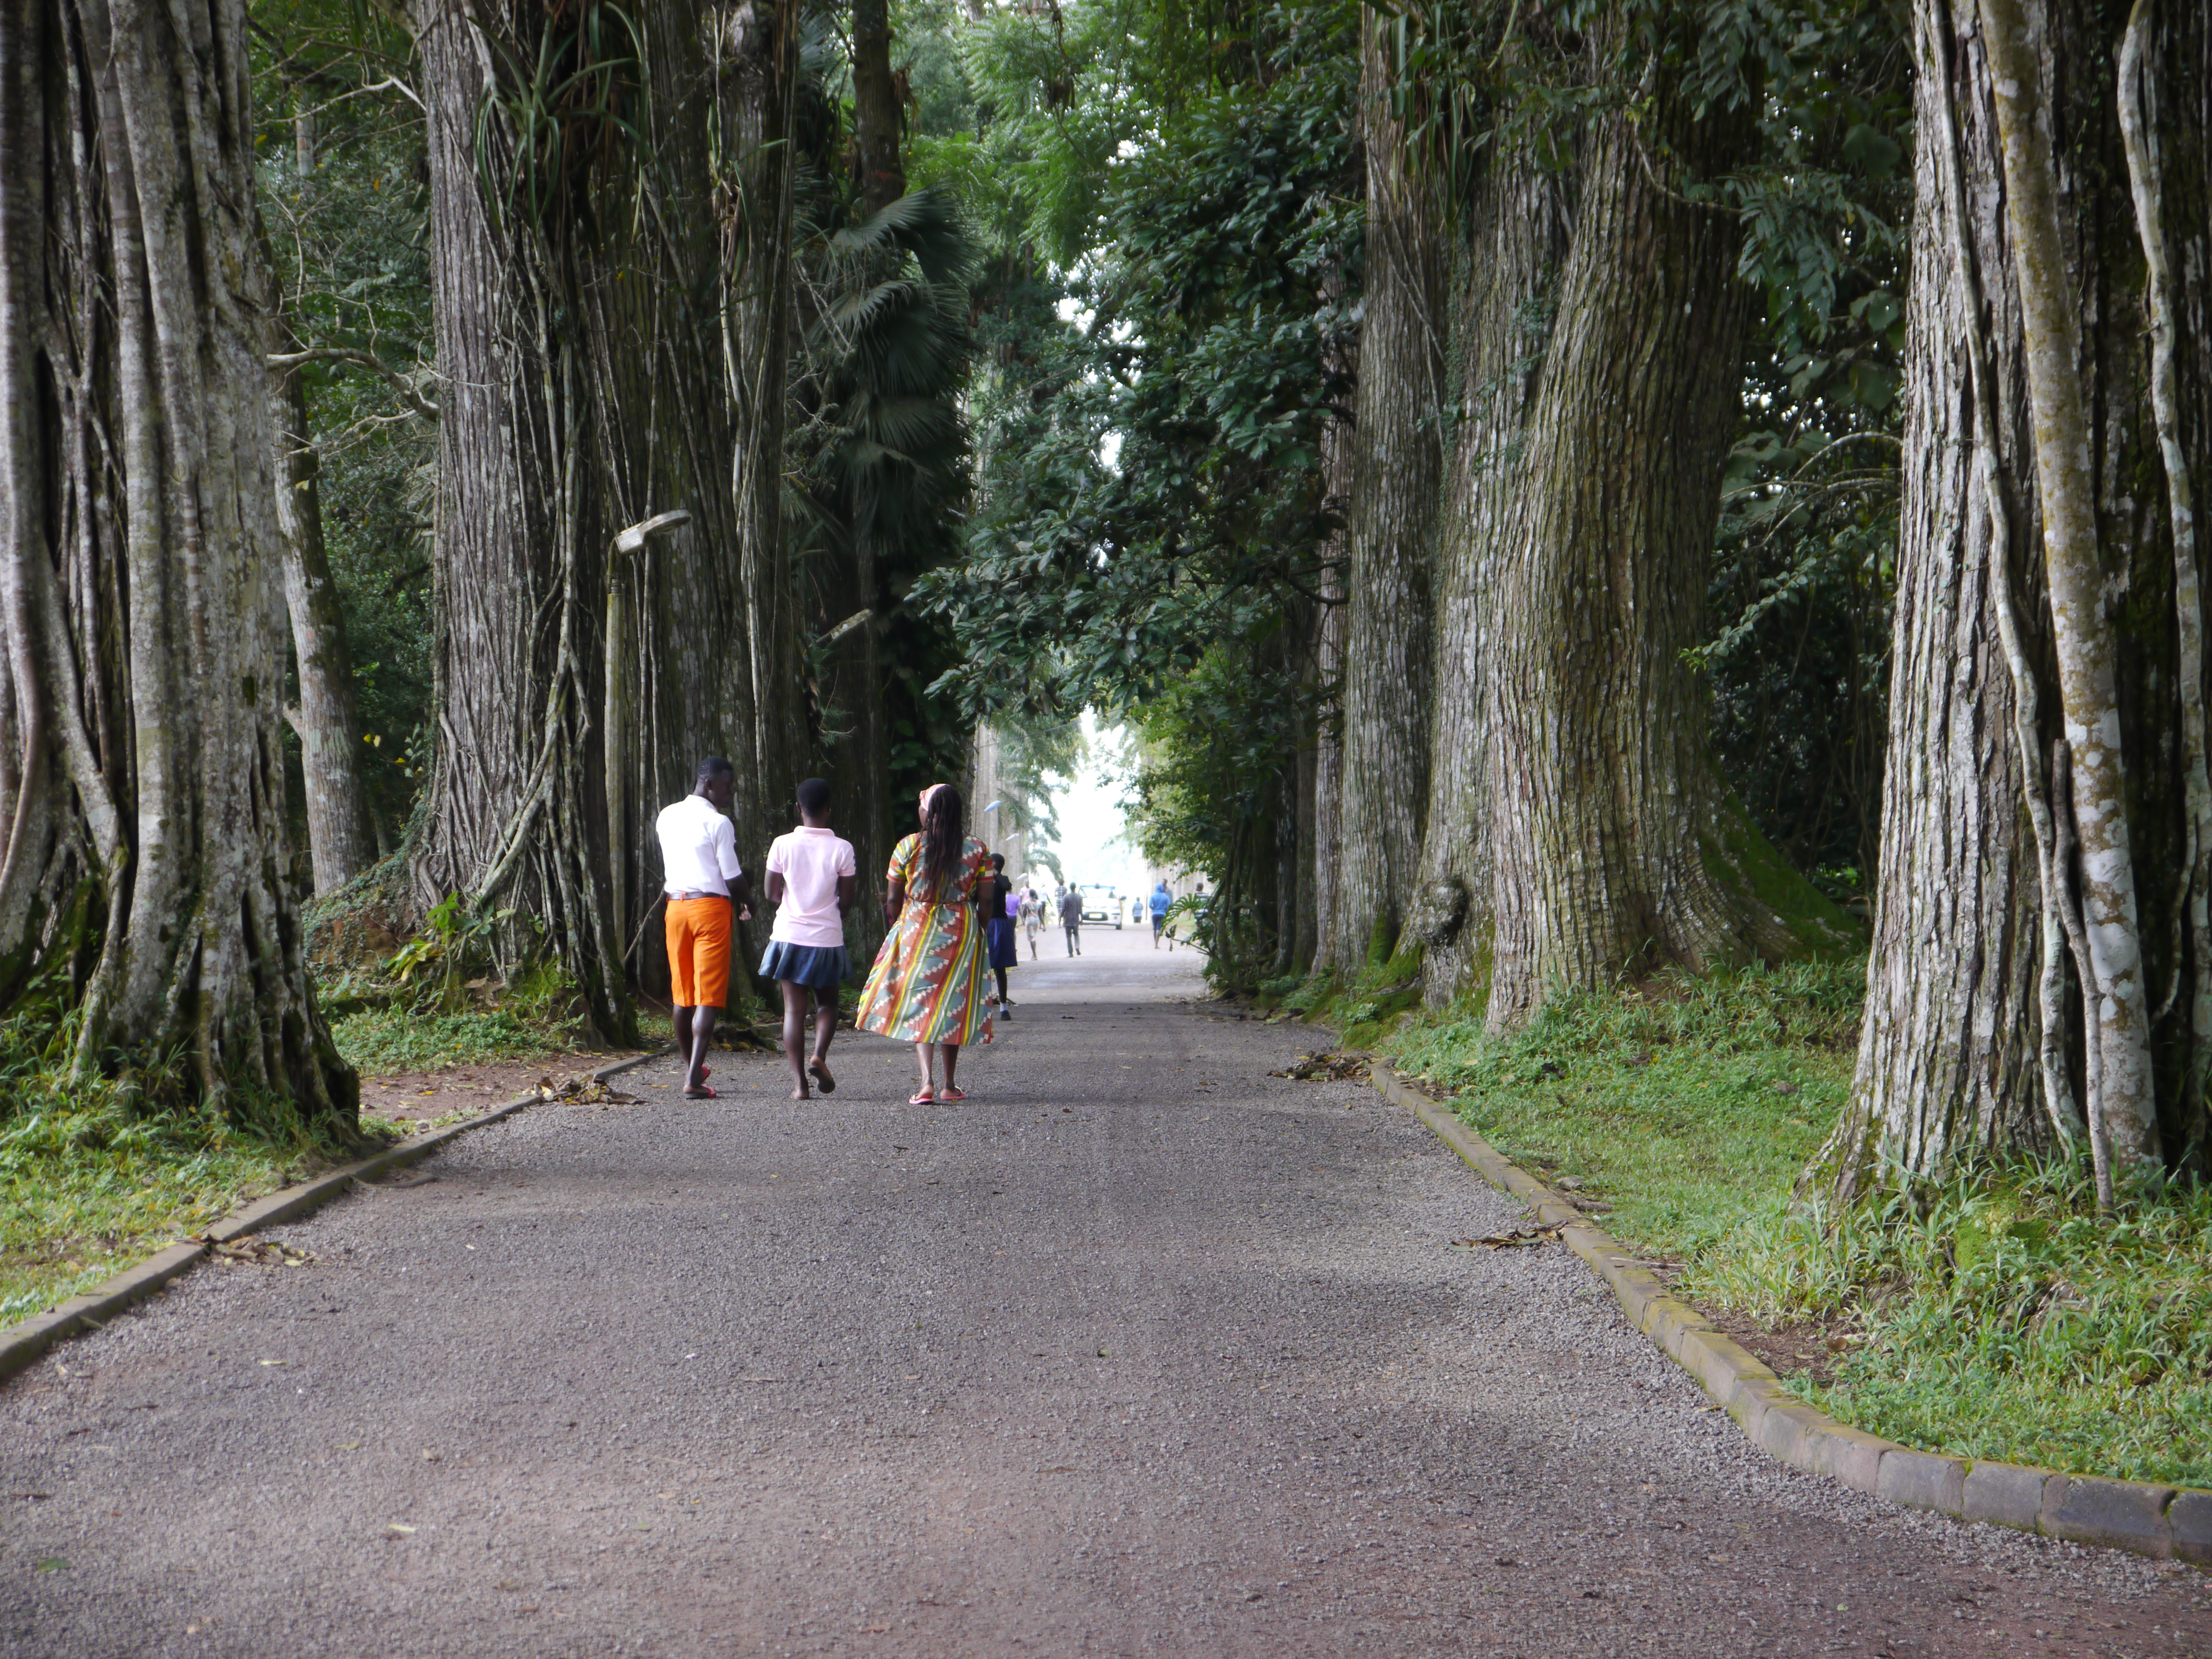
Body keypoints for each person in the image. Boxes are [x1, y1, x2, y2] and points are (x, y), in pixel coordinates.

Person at [855, 785, 994, 1104]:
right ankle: (949, 1085)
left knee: (921, 1003)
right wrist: (979, 931)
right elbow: (986, 900)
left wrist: (899, 926)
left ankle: (926, 1084)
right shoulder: (977, 850)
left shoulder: (908, 847)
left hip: (917, 929)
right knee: (950, 1005)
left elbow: (892, 898)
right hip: (961, 930)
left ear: (928, 812)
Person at [657, 757, 751, 1099]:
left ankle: (692, 1068)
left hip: (676, 907)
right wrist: (748, 902)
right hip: (710, 908)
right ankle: (694, 1082)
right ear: (709, 785)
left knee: (683, 997)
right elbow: (732, 876)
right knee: (708, 998)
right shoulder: (718, 822)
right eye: (728, 785)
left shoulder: (667, 815)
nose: (733, 792)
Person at [759, 778, 858, 1101]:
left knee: (793, 1011)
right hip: (826, 938)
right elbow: (847, 902)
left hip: (789, 936)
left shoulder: (781, 844)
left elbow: (772, 893)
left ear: (799, 808)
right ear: (830, 809)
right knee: (828, 1003)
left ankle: (800, 1085)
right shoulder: (842, 849)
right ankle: (819, 1056)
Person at [983, 853, 1019, 1017]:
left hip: (998, 924)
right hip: (984, 924)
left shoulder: (1000, 881)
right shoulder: (983, 881)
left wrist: (996, 872)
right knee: (981, 967)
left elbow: (1007, 885)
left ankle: (1004, 1007)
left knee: (1000, 968)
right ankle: (982, 1006)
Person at [1059, 884, 1083, 956]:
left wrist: (1060, 918)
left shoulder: (1066, 897)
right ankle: (1077, 947)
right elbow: (1080, 909)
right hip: (1076, 919)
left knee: (1069, 936)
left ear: (1070, 888)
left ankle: (1071, 953)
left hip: (1068, 919)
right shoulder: (1079, 897)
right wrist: (1082, 919)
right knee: (1076, 934)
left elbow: (1063, 909)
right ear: (1075, 888)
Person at [1150, 878, 1174, 950]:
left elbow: (1150, 905)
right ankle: (1157, 943)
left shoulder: (1153, 896)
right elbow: (1168, 905)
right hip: (1162, 914)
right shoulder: (1165, 897)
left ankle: (1155, 943)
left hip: (1154, 914)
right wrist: (1164, 910)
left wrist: (1154, 909)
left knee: (1154, 928)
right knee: (1159, 928)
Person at [1020, 888, 1043, 960]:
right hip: (1036, 921)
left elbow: (1024, 912)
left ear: (1030, 895)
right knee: (1033, 937)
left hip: (1030, 921)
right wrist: (1044, 925)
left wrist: (1023, 920)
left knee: (1032, 938)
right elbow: (1041, 914)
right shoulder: (1039, 903)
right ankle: (1034, 955)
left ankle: (1035, 955)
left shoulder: (1027, 903)